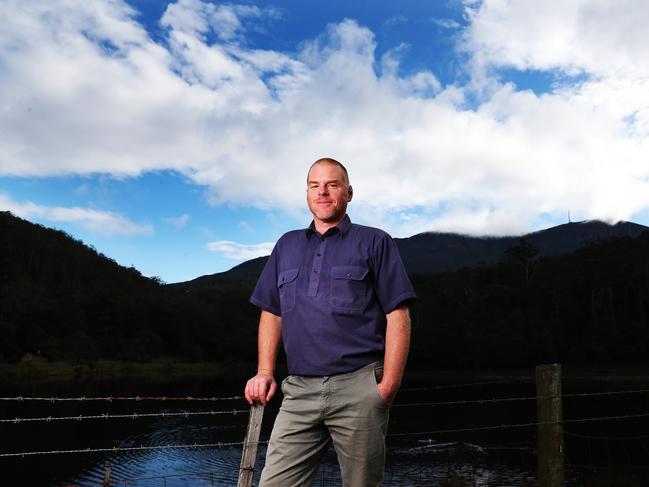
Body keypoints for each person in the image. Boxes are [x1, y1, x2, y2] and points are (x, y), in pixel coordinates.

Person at [244, 157, 416, 486]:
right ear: (307, 194)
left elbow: (398, 314)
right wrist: (265, 370)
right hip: (299, 391)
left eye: (332, 185)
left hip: (360, 387)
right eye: (314, 185)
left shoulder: (375, 241)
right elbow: (272, 310)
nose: (322, 192)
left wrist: (387, 387)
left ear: (349, 193)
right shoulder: (287, 245)